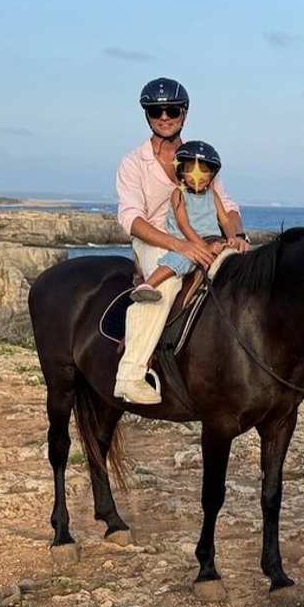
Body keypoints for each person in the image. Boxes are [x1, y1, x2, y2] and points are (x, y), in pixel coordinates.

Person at [113, 78, 248, 405]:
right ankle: (130, 375)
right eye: (155, 110)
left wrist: (237, 235)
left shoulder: (198, 158)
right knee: (167, 287)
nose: (164, 116)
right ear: (147, 115)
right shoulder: (133, 163)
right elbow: (131, 218)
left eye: (171, 109)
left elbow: (225, 205)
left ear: (184, 113)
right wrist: (179, 246)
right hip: (155, 239)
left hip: (203, 238)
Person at [130, 140, 239, 303]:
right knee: (181, 261)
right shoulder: (179, 194)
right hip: (188, 240)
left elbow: (224, 219)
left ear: (212, 175)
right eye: (191, 170)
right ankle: (148, 285)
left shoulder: (213, 195)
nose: (198, 176)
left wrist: (233, 237)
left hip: (213, 240)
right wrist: (201, 246)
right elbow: (183, 224)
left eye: (204, 171)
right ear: (181, 172)